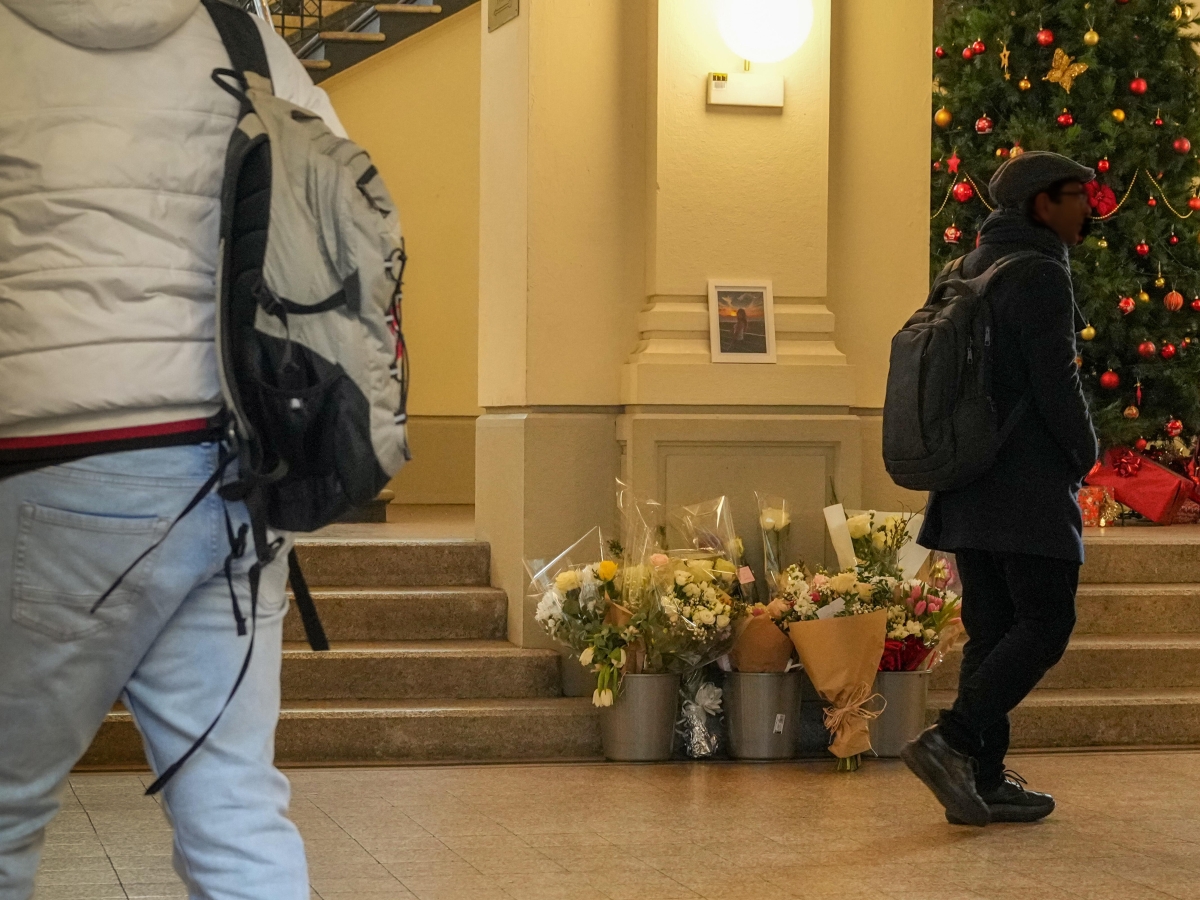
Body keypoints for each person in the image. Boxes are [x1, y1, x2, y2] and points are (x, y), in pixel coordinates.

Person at [0, 1, 345, 896]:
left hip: (49, 462)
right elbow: (342, 209)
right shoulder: (241, 36)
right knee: (234, 806)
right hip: (233, 476)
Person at [901, 151, 1100, 827]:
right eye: (1077, 195)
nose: (1088, 208)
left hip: (966, 480)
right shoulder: (1040, 273)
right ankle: (954, 741)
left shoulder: (965, 267)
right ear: (1041, 204)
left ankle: (983, 780)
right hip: (1026, 486)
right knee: (1046, 623)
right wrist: (1085, 452)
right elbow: (1057, 382)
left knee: (991, 631)